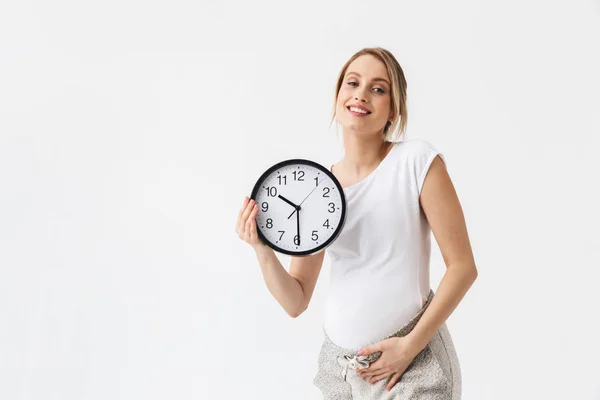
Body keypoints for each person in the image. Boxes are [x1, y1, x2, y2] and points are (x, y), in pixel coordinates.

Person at [235, 47, 477, 399]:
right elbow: (295, 300)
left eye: (378, 88)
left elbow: (463, 267)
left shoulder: (416, 161)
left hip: (410, 366)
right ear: (337, 97)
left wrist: (410, 346)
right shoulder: (318, 186)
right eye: (352, 83)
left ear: (393, 110)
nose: (361, 94)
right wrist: (262, 248)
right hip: (340, 370)